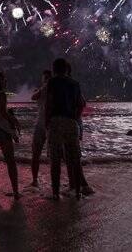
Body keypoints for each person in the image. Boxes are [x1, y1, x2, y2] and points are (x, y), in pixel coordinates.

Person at [45, 58, 83, 200]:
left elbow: (49, 103)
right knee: (75, 158)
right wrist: (75, 117)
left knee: (55, 160)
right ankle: (78, 191)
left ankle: (55, 193)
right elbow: (80, 104)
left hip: (56, 121)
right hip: (71, 122)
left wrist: (46, 122)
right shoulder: (75, 84)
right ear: (66, 69)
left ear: (54, 69)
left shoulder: (52, 82)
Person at [65, 63, 94, 196]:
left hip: (72, 124)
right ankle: (74, 184)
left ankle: (83, 184)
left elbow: (82, 104)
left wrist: (74, 118)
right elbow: (82, 104)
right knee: (70, 156)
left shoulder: (71, 85)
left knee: (73, 156)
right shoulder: (71, 85)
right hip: (75, 123)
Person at [30, 70, 52, 187]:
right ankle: (34, 180)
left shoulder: (54, 90)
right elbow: (34, 97)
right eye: (45, 78)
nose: (47, 80)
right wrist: (44, 87)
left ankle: (53, 181)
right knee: (35, 152)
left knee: (53, 154)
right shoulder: (42, 89)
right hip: (40, 123)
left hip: (51, 124)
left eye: (48, 78)